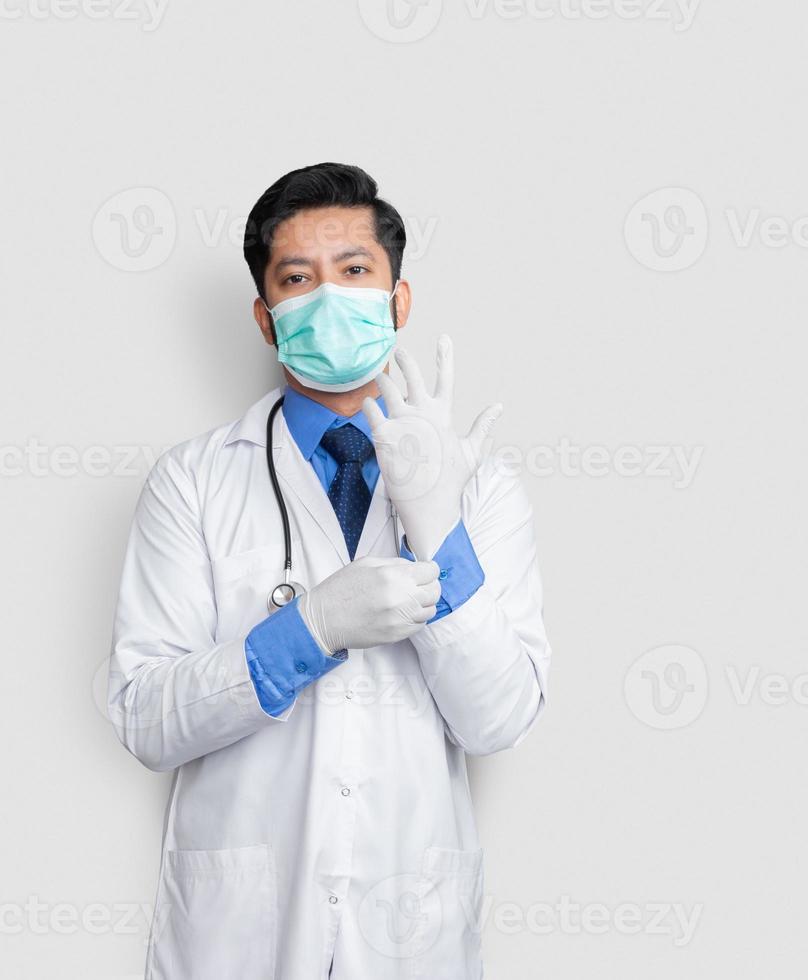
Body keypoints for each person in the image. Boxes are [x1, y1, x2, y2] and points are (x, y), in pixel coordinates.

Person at [107, 162, 550, 980]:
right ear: (266, 318)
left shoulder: (481, 486)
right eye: (298, 280)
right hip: (242, 934)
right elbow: (145, 719)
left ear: (398, 299)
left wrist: (437, 525)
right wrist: (306, 633)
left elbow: (499, 721)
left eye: (353, 272)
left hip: (410, 925)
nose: (328, 298)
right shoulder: (194, 480)